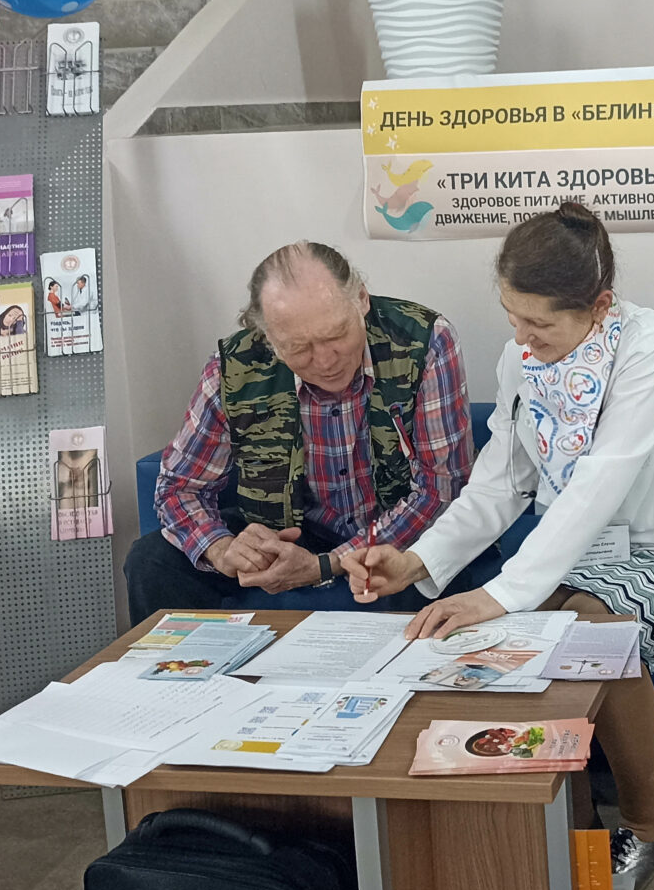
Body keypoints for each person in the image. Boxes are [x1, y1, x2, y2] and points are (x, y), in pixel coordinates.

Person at [347, 204, 654, 890]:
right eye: (511, 317)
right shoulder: (521, 360)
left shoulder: (646, 347)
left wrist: (498, 592)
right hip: (598, 553)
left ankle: (650, 828)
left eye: (539, 324)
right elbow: (501, 481)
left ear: (599, 306)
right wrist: (418, 561)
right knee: (513, 634)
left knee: (590, 630)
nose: (521, 338)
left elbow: (601, 483)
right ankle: (563, 823)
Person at [125, 242, 485, 619]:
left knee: (421, 576)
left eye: (336, 334)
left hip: (394, 535)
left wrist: (326, 565)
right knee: (151, 561)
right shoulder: (234, 368)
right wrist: (223, 549)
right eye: (299, 348)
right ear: (268, 338)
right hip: (288, 532)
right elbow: (179, 487)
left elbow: (441, 488)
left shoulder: (423, 340)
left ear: (361, 299)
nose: (326, 361)